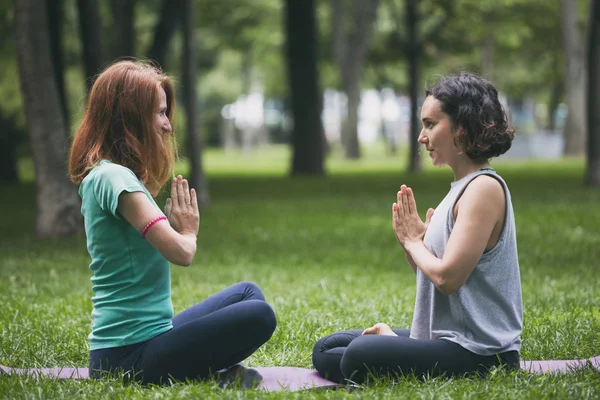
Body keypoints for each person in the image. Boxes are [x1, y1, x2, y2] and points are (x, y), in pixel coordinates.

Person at [68, 60, 276, 386]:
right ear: (129, 116)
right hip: (125, 359)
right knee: (260, 315)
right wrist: (189, 230)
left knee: (249, 294)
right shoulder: (114, 179)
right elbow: (182, 253)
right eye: (159, 113)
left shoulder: (114, 175)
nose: (167, 125)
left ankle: (210, 373)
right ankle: (213, 375)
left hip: (152, 337)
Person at [312, 73, 523, 383]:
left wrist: (415, 243)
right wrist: (413, 244)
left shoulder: (484, 189)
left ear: (461, 128)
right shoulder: (460, 187)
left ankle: (392, 349)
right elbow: (433, 278)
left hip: (481, 353)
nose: (421, 137)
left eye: (430, 124)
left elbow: (447, 278)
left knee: (358, 355)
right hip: (446, 337)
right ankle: (394, 349)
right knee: (327, 348)